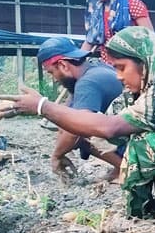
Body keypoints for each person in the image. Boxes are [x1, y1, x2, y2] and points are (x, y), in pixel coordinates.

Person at [10, 27, 155, 218]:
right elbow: (97, 125)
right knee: (121, 136)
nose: (118, 76)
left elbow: (110, 127)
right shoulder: (141, 91)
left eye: (122, 67)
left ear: (145, 63)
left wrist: (42, 106)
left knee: (150, 141)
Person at [36, 37, 125, 181]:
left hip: (129, 141)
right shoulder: (96, 67)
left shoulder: (87, 84)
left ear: (63, 65)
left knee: (82, 134)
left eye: (51, 73)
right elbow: (67, 113)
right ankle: (120, 167)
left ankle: (124, 169)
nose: (54, 79)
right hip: (128, 132)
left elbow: (73, 132)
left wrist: (57, 156)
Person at [81, 0, 154, 58]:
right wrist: (77, 59)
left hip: (133, 63)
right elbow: (90, 40)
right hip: (108, 65)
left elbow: (150, 37)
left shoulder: (132, 4)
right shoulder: (98, 11)